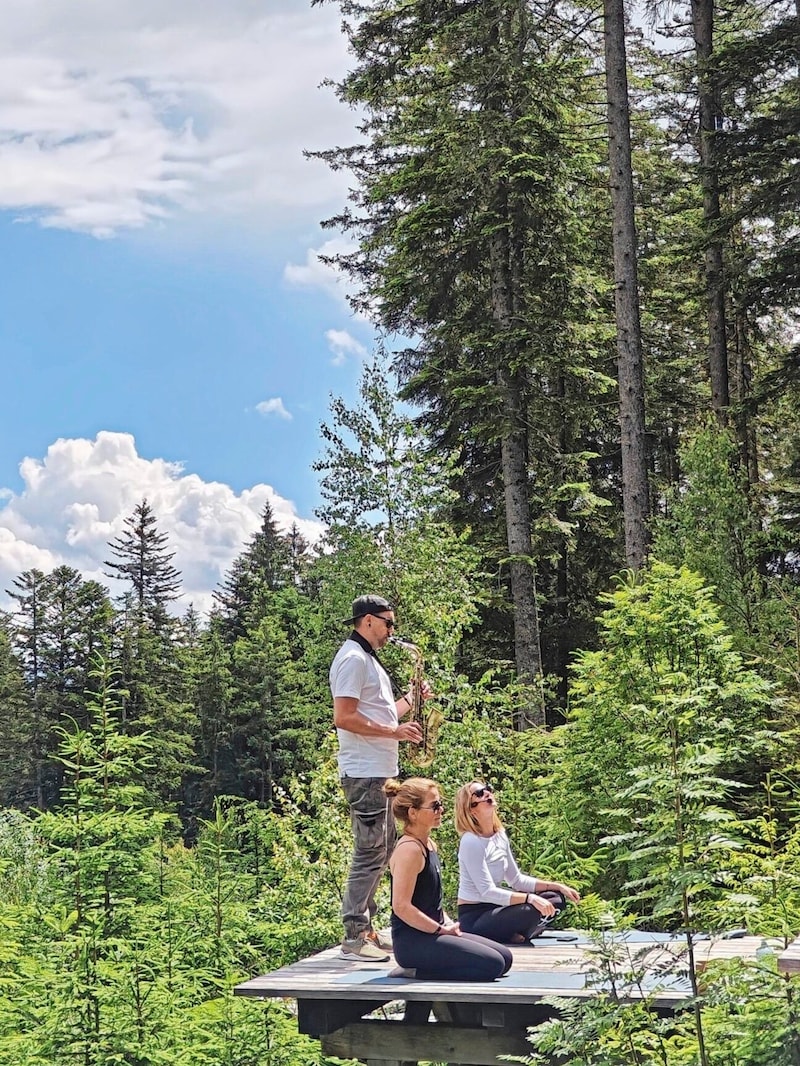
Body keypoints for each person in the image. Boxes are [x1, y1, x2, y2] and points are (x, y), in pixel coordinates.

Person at [331, 593, 428, 961]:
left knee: (382, 849)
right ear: (368, 621)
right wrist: (395, 733)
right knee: (369, 852)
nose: (392, 630)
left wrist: (410, 700)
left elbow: (383, 715)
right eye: (388, 623)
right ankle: (355, 936)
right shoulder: (353, 660)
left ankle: (367, 929)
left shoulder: (368, 661)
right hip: (364, 772)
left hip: (379, 771)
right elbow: (344, 717)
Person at [386, 777, 512, 981]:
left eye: (441, 804)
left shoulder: (429, 845)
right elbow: (401, 906)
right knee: (492, 964)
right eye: (434, 806)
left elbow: (430, 900)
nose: (441, 810)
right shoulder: (409, 850)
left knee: (505, 958)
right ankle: (414, 971)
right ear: (413, 812)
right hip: (413, 942)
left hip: (434, 932)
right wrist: (440, 930)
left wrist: (449, 925)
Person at [455, 781, 581, 944]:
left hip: (497, 909)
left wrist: (558, 886)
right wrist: (530, 898)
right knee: (531, 909)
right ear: (470, 808)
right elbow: (487, 892)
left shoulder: (499, 834)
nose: (487, 794)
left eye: (488, 790)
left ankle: (512, 934)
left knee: (555, 899)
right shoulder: (471, 841)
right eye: (479, 793)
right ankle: (514, 934)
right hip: (475, 917)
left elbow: (516, 880)